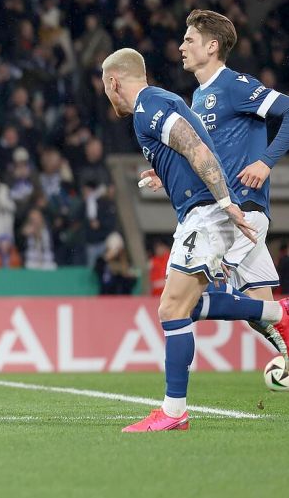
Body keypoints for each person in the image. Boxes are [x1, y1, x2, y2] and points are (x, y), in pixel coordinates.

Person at [101, 48, 289, 432]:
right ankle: (277, 313)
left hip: (207, 214)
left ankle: (174, 411)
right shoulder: (165, 100)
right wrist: (165, 174)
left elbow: (196, 147)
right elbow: (194, 148)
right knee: (180, 306)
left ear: (113, 82)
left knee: (172, 308)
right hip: (202, 213)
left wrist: (226, 203)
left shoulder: (148, 105)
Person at [142, 9, 289, 352]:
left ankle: (174, 405)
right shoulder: (198, 98)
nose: (181, 46)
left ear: (211, 47)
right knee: (260, 309)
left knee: (187, 300)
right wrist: (165, 174)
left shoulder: (233, 85)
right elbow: (211, 157)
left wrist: (266, 163)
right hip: (229, 211)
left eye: (188, 39)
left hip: (240, 211)